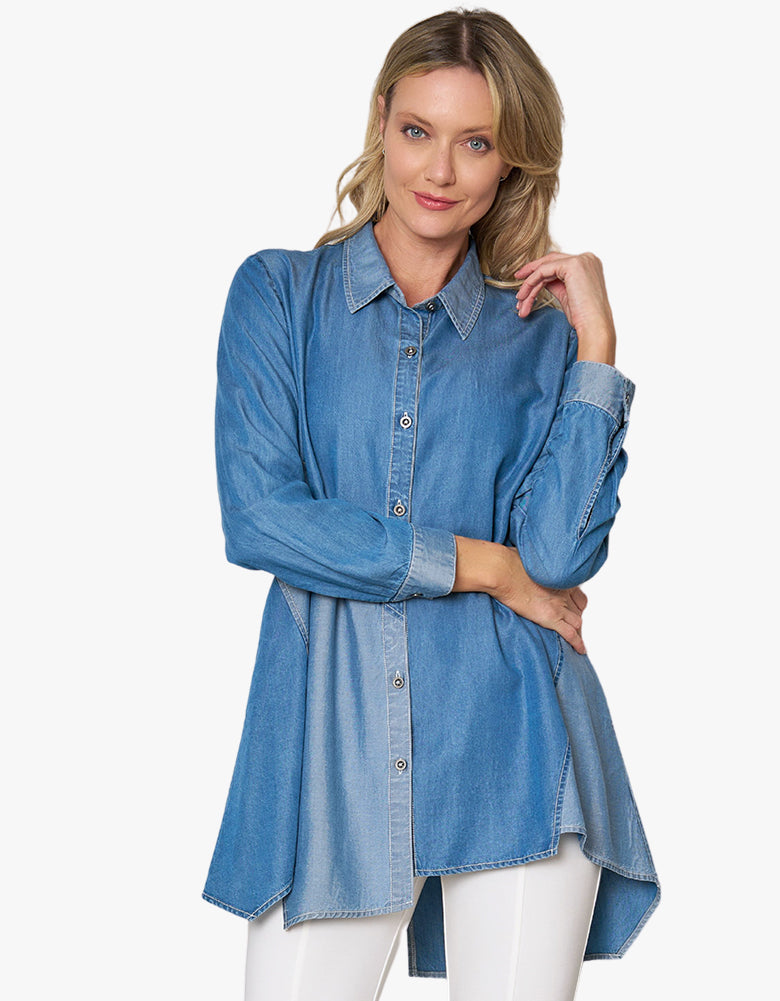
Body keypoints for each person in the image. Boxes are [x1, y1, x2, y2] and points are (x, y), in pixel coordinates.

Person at [203, 9, 660, 999]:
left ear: (512, 160)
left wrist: (595, 351)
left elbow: (556, 556)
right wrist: (485, 565)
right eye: (418, 130)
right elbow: (263, 517)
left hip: (516, 739)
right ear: (380, 122)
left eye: (476, 142)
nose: (440, 171)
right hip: (331, 744)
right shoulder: (278, 295)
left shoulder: (540, 334)